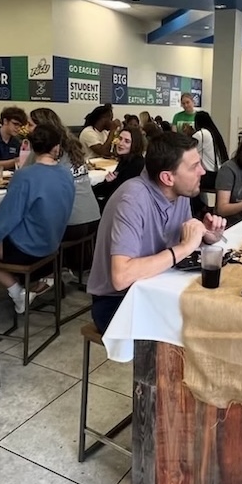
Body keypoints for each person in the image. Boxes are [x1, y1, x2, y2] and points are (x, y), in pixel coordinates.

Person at [87, 132, 226, 332]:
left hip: (156, 287)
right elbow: (121, 277)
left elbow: (180, 240)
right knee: (199, 329)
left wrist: (205, 237)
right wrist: (186, 246)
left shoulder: (180, 192)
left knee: (216, 315)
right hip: (117, 302)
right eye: (195, 166)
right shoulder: (133, 199)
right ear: (168, 177)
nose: (203, 171)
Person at [0, 123, 75, 311]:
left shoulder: (25, 176)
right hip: (51, 245)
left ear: (30, 146)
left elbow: (6, 220)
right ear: (57, 147)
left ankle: (15, 290)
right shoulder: (66, 174)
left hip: (27, 249)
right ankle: (19, 290)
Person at [28, 108, 101, 284]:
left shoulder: (45, 148)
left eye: (30, 125)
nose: (28, 129)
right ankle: (62, 268)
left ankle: (44, 277)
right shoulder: (72, 144)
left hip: (72, 223)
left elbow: (25, 175)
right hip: (93, 217)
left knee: (27, 229)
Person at [92, 126, 146, 205]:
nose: (121, 143)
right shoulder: (125, 160)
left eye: (127, 141)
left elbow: (119, 190)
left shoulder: (136, 164)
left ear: (135, 145)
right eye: (120, 139)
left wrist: (109, 182)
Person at [192, 110, 228, 189]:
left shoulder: (201, 134)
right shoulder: (214, 133)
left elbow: (189, 151)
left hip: (208, 177)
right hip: (218, 175)